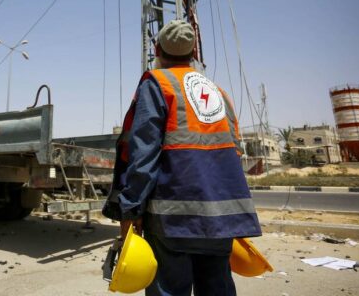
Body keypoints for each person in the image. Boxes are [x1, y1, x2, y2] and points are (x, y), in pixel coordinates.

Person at [103, 19, 262, 296]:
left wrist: (131, 209)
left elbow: (144, 154)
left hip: (172, 219)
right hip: (221, 219)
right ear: (194, 53)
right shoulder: (218, 92)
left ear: (157, 49)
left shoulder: (157, 83)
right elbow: (233, 151)